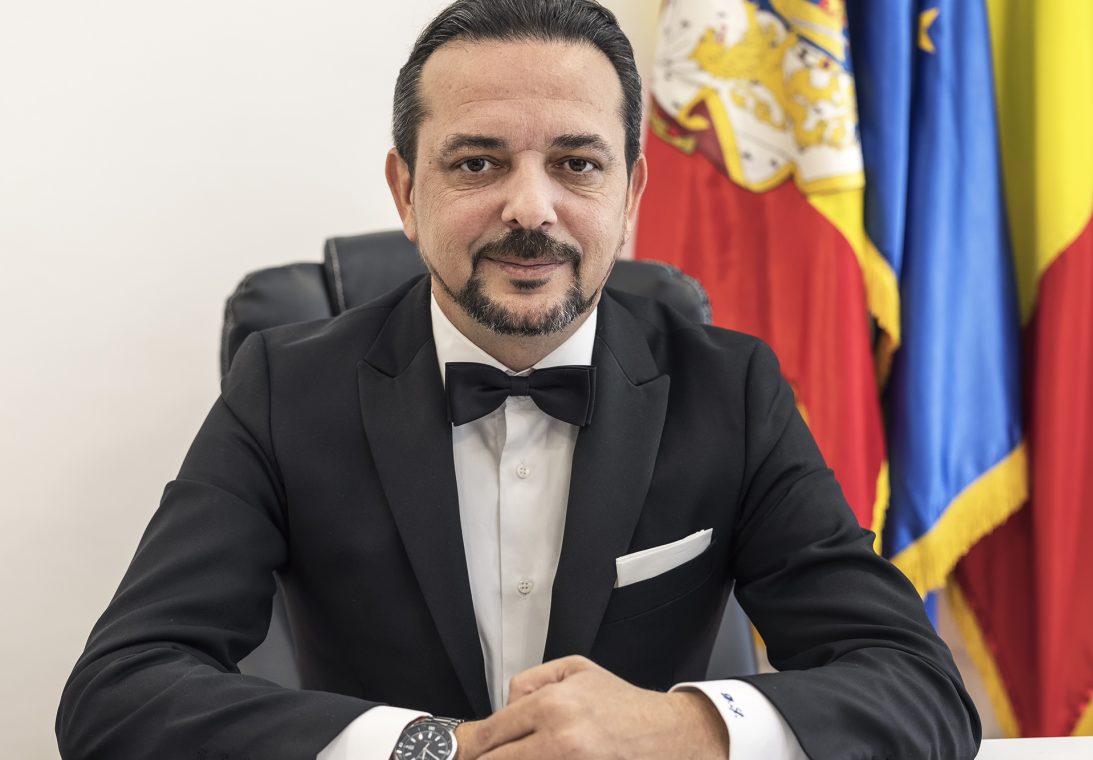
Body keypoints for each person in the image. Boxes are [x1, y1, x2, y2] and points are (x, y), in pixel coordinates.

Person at [57, 1, 981, 758]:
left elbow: (920, 689)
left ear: (631, 196)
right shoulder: (281, 389)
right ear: (406, 192)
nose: (531, 208)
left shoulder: (732, 390)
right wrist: (433, 748)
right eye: (477, 163)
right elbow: (120, 692)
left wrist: (683, 729)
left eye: (577, 164)